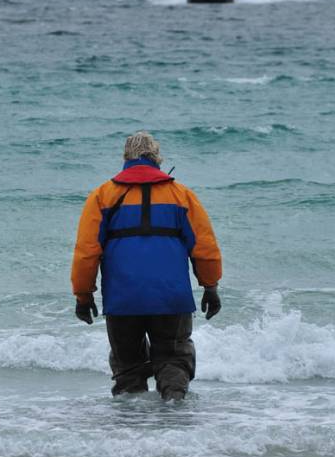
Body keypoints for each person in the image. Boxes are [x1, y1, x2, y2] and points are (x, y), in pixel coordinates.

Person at [71, 131, 222, 401]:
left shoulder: (103, 196)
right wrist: (210, 286)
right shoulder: (180, 195)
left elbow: (86, 252)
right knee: (174, 359)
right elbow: (204, 247)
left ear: (126, 157)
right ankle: (174, 422)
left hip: (122, 299)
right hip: (171, 298)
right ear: (157, 158)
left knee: (128, 368)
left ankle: (133, 430)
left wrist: (83, 295)